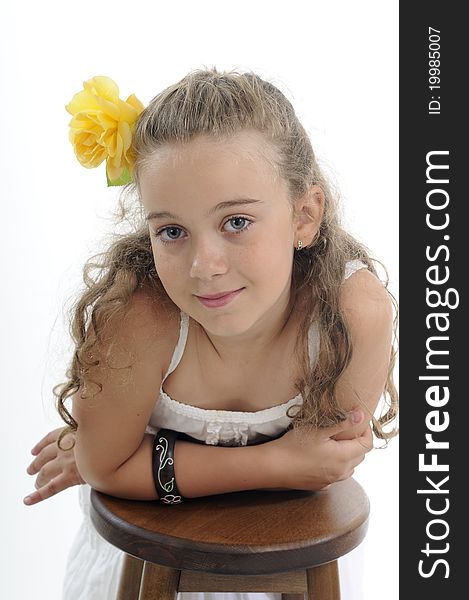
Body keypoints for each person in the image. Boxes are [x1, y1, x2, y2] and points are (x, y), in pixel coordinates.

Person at [24, 68, 398, 600]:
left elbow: (326, 465)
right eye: (172, 231)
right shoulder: (139, 319)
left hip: (284, 565)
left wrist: (143, 455)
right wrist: (277, 460)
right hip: (149, 563)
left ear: (305, 215)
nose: (204, 265)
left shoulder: (353, 312)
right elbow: (103, 466)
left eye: (236, 222)